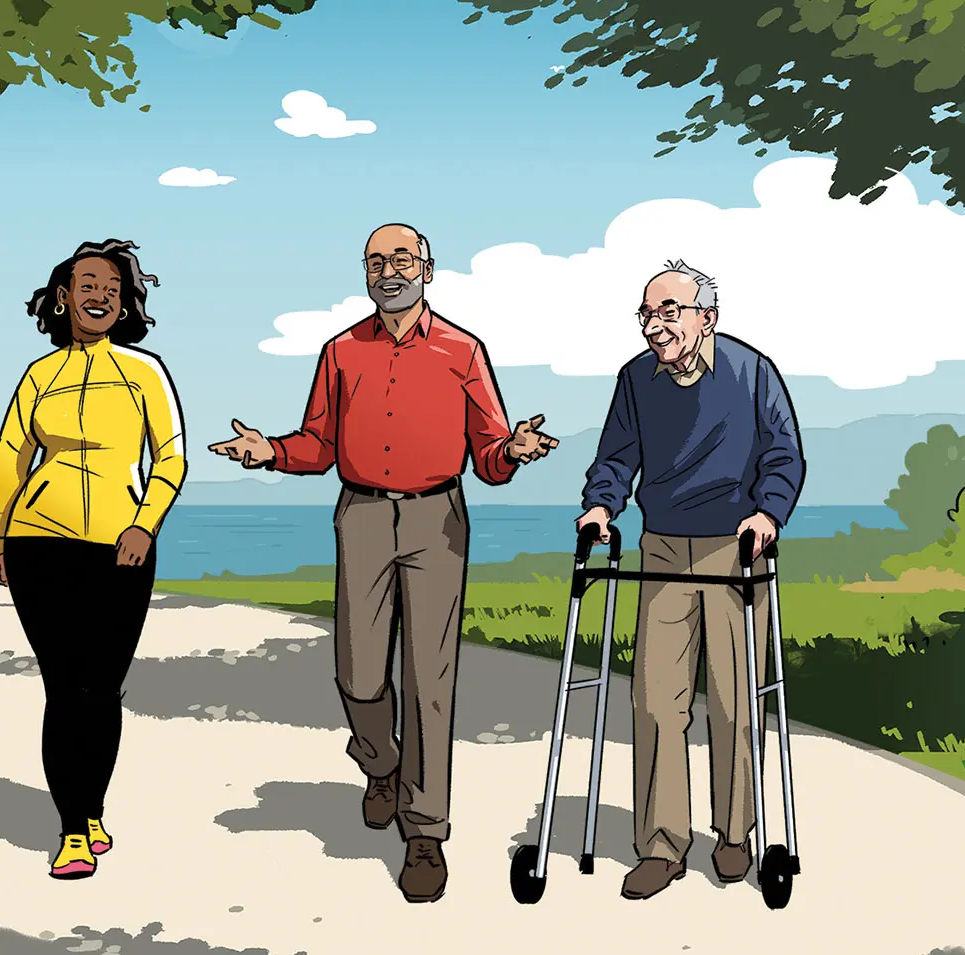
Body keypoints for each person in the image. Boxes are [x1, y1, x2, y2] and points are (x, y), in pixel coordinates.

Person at [208, 223, 557, 904]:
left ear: (428, 268)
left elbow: (488, 455)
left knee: (430, 679)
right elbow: (319, 445)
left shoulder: (463, 350)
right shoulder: (341, 351)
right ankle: (381, 764)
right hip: (362, 515)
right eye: (376, 261)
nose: (388, 271)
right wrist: (269, 451)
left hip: (437, 520)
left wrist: (512, 450)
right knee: (358, 674)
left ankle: (424, 833)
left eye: (401, 260)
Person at [576, 259, 804, 900]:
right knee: (655, 700)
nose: (654, 326)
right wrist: (601, 504)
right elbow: (616, 457)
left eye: (668, 312)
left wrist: (768, 511)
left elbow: (784, 454)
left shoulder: (750, 371)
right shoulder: (636, 380)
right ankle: (661, 845)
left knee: (734, 700)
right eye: (647, 314)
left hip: (737, 549)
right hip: (662, 548)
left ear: (708, 316)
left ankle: (736, 836)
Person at [0, 238, 187, 880]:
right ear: (63, 297)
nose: (99, 296)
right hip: (37, 540)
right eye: (87, 284)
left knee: (101, 689)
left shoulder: (145, 371)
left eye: (112, 288)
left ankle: (90, 806)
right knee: (63, 687)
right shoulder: (39, 376)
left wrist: (143, 525)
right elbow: (11, 455)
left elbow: (172, 458)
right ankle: (74, 828)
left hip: (121, 549)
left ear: (124, 304)